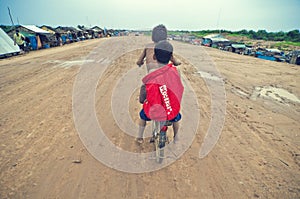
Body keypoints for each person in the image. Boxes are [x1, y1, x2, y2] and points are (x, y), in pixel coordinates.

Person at [137, 40, 184, 144]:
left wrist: (142, 100)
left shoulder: (151, 74)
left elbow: (144, 91)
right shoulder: (176, 72)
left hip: (154, 111)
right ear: (171, 57)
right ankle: (176, 137)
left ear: (154, 57)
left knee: (142, 116)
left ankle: (139, 137)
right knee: (176, 117)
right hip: (170, 110)